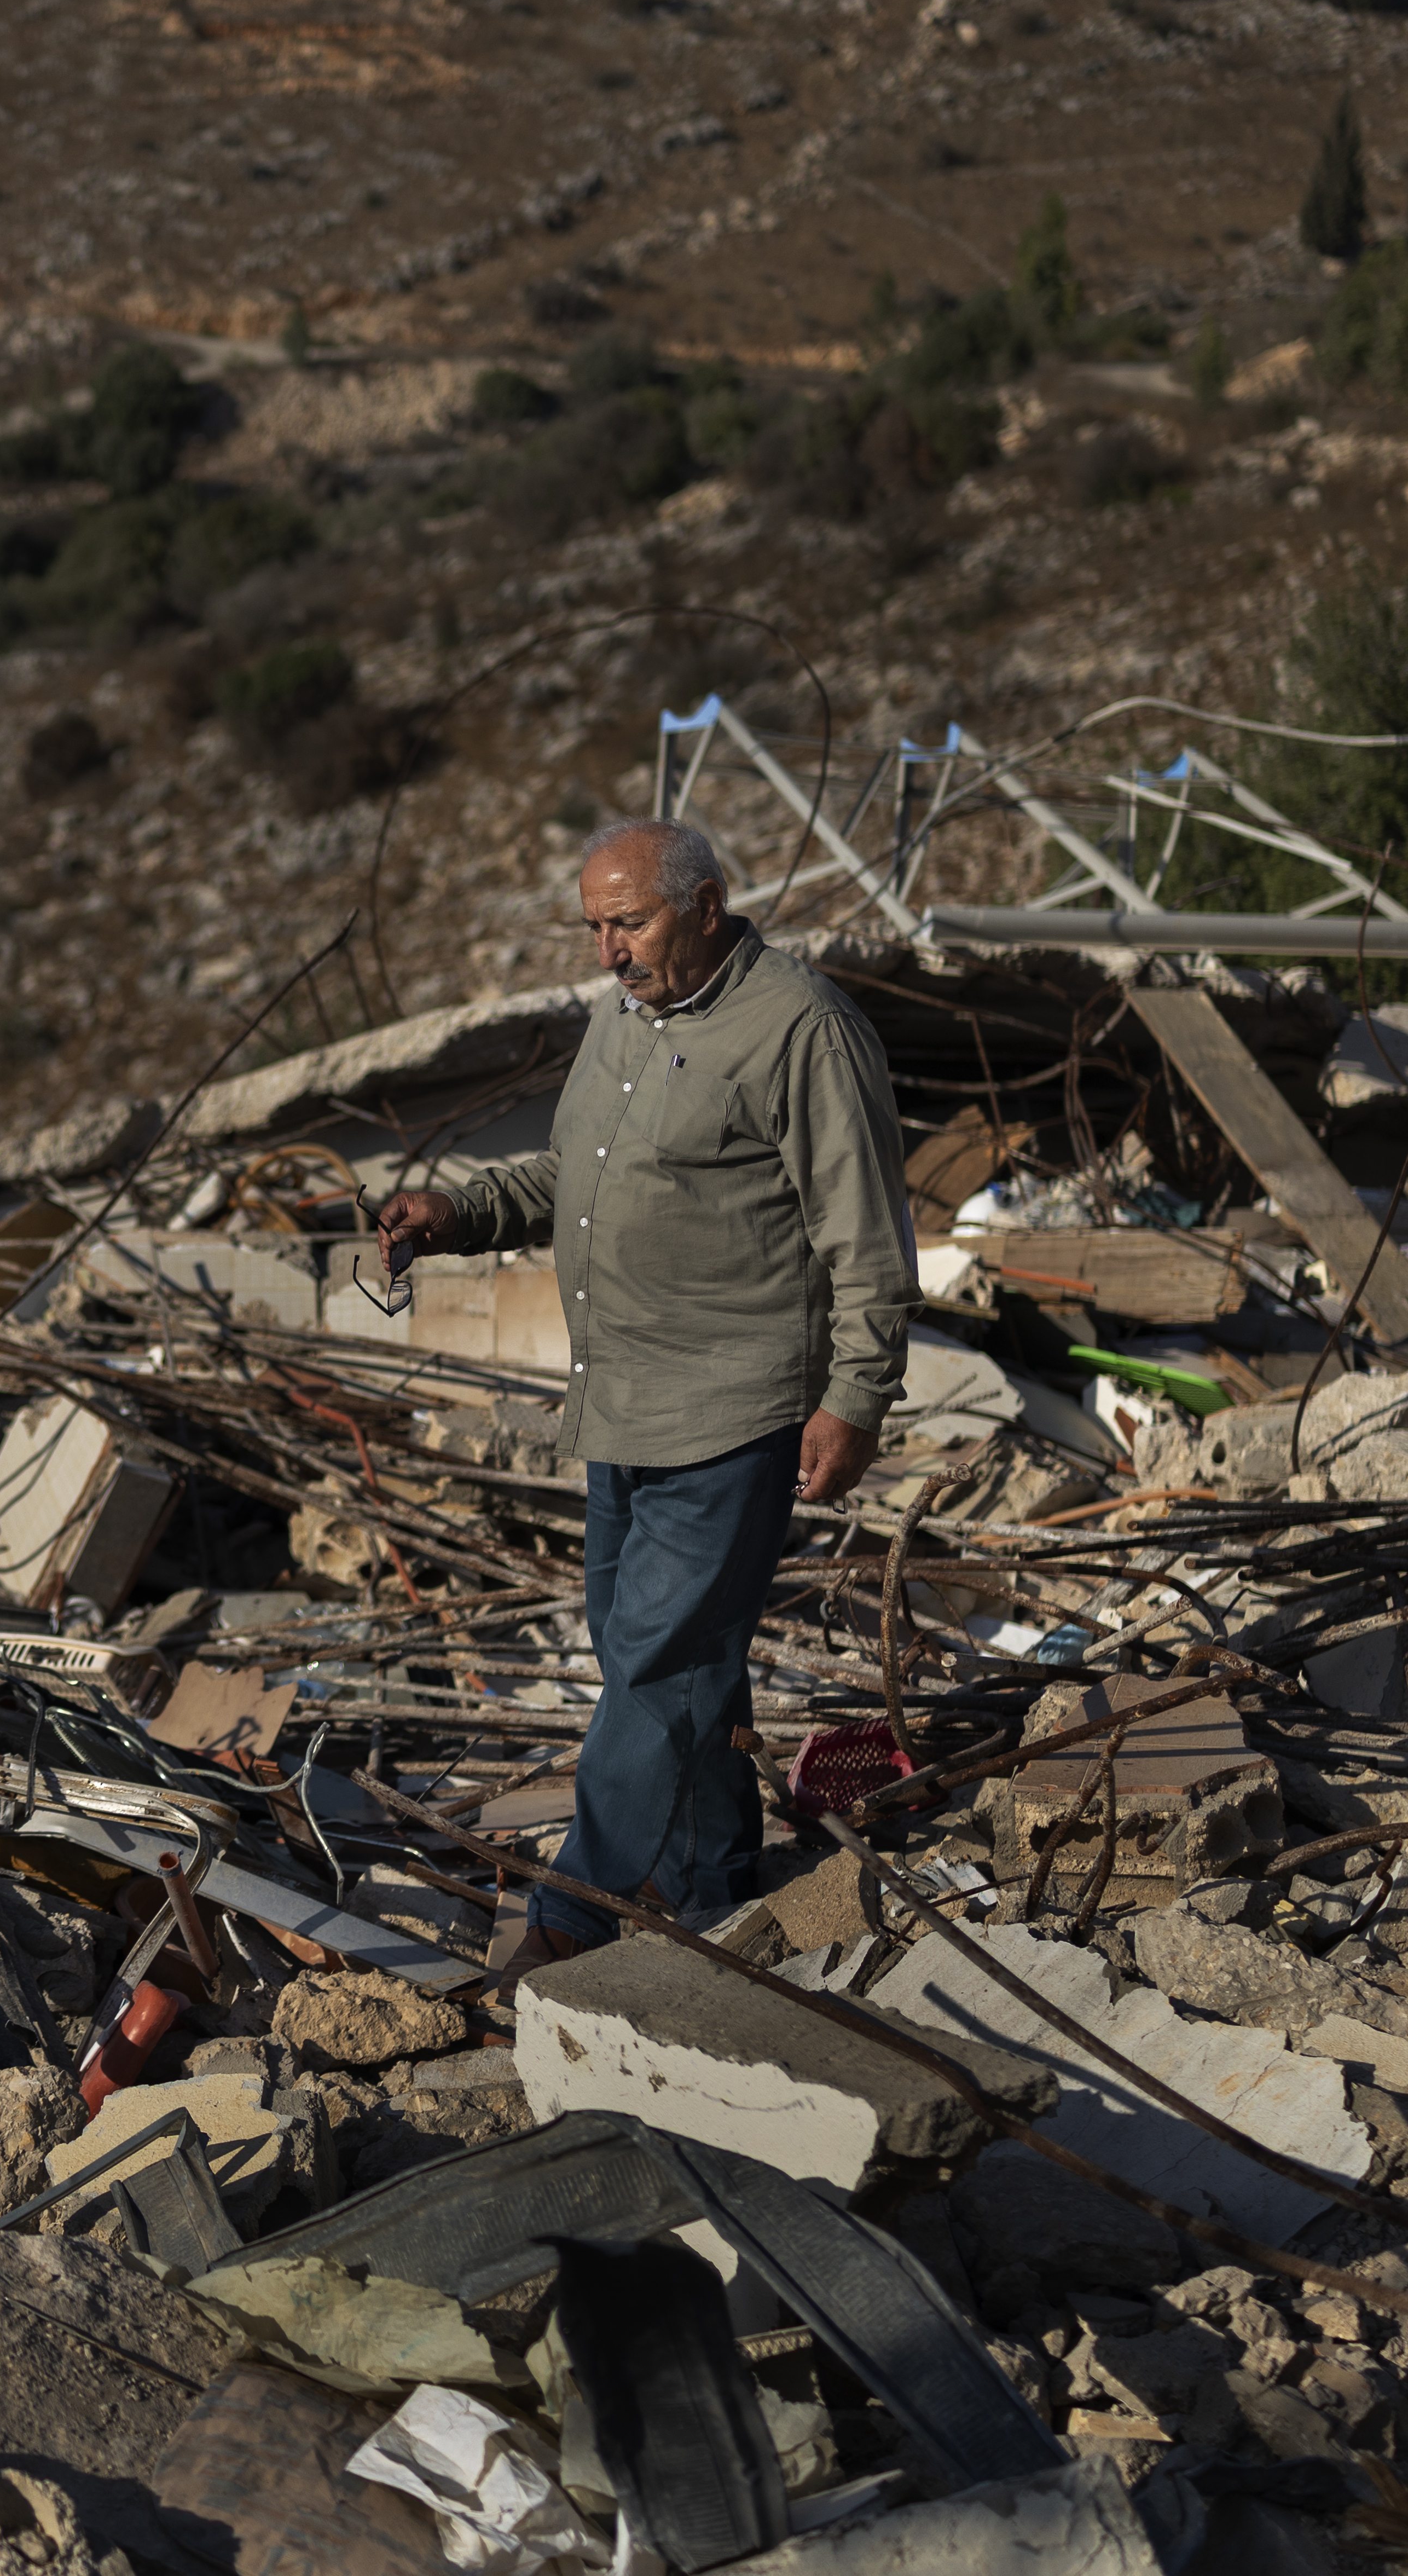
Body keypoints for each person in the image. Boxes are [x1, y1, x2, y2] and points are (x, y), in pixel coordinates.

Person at [372, 817, 916, 1966]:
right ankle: (717, 1880)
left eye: (629, 922)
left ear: (707, 906)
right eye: (594, 928)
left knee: (657, 1669)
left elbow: (866, 1239)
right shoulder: (623, 1016)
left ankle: (576, 1920)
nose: (607, 951)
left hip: (732, 1411)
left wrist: (855, 1396)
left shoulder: (799, 1030)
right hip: (621, 1403)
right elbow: (576, 1171)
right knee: (663, 1660)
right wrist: (460, 1213)